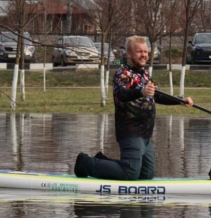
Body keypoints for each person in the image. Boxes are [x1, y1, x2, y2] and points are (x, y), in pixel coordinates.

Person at [74, 36, 194, 180]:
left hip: (145, 134)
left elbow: (157, 95)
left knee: (147, 174)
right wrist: (141, 91)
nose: (144, 55)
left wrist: (180, 100)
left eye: (145, 51)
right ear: (129, 54)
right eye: (139, 52)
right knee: (130, 173)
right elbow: (122, 94)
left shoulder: (145, 74)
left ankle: (102, 161)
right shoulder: (122, 74)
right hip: (130, 131)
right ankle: (85, 163)